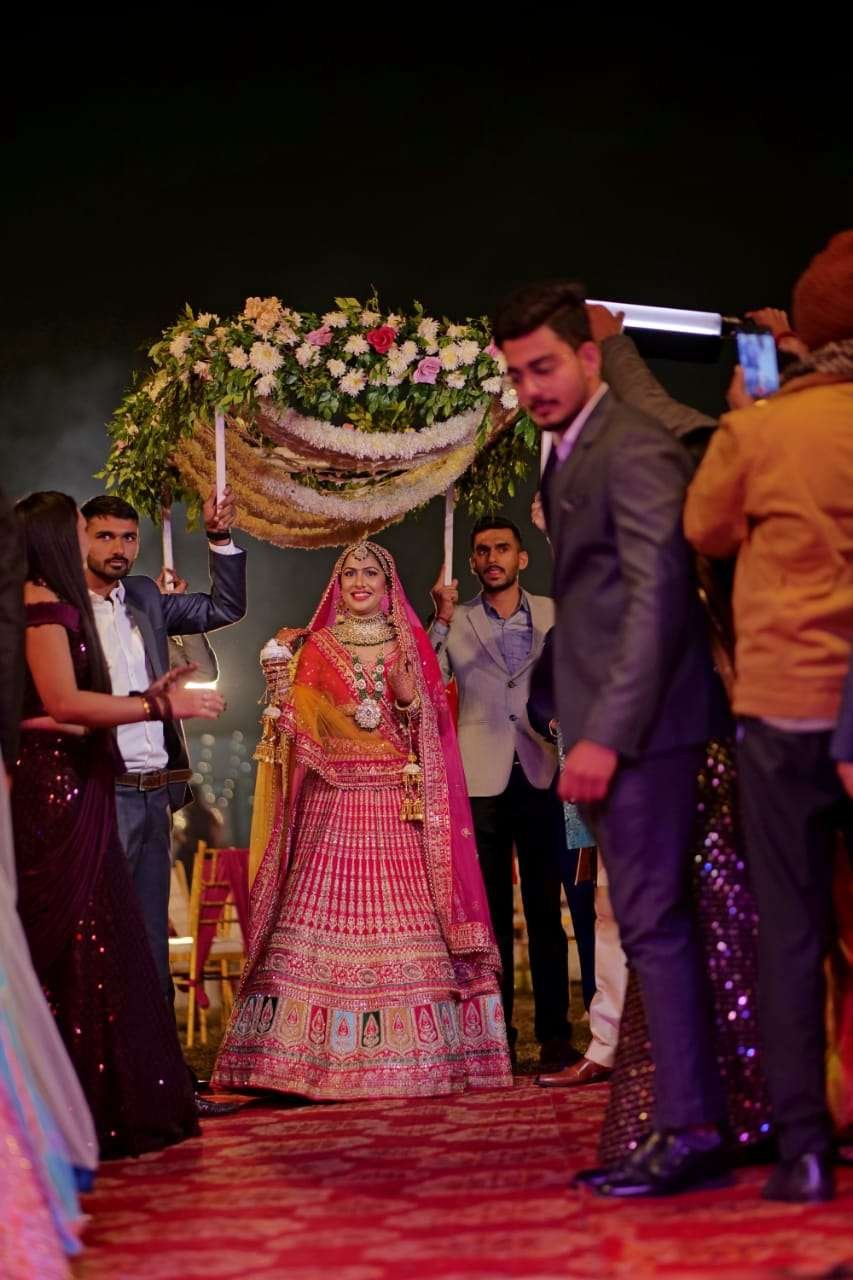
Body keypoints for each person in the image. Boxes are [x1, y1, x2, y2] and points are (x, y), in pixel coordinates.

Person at [495, 281, 726, 1198]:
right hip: (610, 728)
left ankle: (691, 1129)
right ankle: (677, 1121)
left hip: (651, 731)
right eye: (517, 374)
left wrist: (605, 738)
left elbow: (657, 598)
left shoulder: (629, 445)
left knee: (657, 930)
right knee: (644, 928)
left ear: (590, 357)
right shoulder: (567, 449)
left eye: (544, 366)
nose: (531, 388)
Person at [213, 541, 512, 1099]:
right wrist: (279, 682)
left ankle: (416, 1060)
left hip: (398, 806)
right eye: (349, 572)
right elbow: (293, 728)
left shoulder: (410, 644)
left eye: (370, 572)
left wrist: (407, 700)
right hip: (333, 802)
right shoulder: (315, 646)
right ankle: (299, 1063)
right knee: (314, 924)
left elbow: (432, 730)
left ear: (387, 584)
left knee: (409, 924)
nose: (359, 581)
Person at [685, 230, 853, 1202]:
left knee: (790, 934)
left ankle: (802, 1149)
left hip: (784, 709)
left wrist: (753, 391)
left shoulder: (765, 426)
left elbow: (705, 526)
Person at [11, 490, 225, 1157]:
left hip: (112, 783)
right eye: (87, 531)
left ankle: (126, 1086)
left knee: (125, 946)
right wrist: (151, 707)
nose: (99, 544)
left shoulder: (130, 601)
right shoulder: (46, 607)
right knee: (76, 944)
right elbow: (59, 703)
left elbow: (223, 607)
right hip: (64, 787)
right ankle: (71, 1097)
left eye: (118, 535)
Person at [429, 516, 594, 1072]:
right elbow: (427, 679)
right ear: (472, 562)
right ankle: (496, 1039)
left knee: (546, 912)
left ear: (522, 558)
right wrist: (439, 619)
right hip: (480, 780)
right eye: (482, 550)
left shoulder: (554, 612)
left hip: (545, 771)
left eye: (502, 548)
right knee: (491, 918)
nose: (491, 557)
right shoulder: (457, 618)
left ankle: (554, 1037)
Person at [81, 490, 246, 999]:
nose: (119, 548)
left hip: (155, 794)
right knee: (98, 934)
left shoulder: (144, 597)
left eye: (129, 538)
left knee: (153, 939)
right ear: (80, 539)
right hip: (98, 790)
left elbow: (225, 606)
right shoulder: (61, 608)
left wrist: (219, 537)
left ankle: (158, 1049)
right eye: (105, 536)